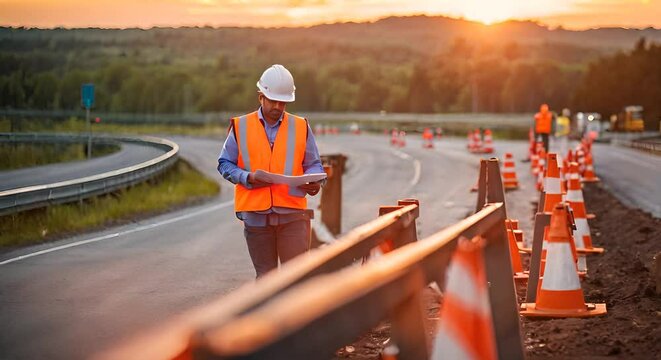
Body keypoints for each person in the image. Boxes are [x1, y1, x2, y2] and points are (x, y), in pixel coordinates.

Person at [217, 64, 325, 278]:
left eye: (282, 102)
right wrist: (247, 177)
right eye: (273, 100)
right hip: (256, 218)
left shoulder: (301, 126)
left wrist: (315, 182)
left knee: (295, 280)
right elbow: (224, 163)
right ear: (261, 97)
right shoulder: (241, 126)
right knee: (266, 279)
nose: (278, 106)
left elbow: (314, 164)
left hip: (293, 216)